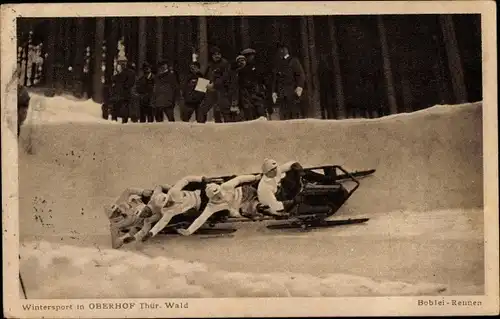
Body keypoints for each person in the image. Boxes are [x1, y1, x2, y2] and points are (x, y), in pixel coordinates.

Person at [175, 173, 264, 236]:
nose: (220, 195)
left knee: (251, 189)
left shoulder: (226, 186)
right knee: (248, 210)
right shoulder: (212, 205)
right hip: (242, 205)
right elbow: (201, 218)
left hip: (246, 193)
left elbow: (239, 179)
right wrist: (189, 231)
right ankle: (262, 208)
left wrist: (255, 177)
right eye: (216, 196)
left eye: (219, 193)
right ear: (212, 198)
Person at [271, 44, 306, 120]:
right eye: (279, 50)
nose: (279, 52)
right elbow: (275, 79)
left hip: (292, 92)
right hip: (281, 94)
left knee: (294, 116)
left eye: (281, 50)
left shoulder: (293, 61)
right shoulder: (278, 63)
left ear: (285, 50)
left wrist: (299, 87)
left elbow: (301, 75)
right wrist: (274, 92)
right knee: (283, 117)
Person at [198, 46, 232, 123]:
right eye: (215, 54)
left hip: (222, 90)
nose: (217, 56)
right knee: (203, 108)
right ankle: (200, 126)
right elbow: (205, 76)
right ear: (212, 56)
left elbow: (225, 77)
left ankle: (229, 128)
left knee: (224, 109)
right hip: (211, 90)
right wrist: (201, 88)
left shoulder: (225, 63)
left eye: (218, 54)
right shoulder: (210, 65)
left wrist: (215, 84)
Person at [238, 48, 268, 120]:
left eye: (250, 55)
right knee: (250, 116)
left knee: (261, 115)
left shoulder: (258, 67)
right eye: (247, 56)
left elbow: (263, 80)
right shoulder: (241, 70)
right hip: (247, 96)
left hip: (258, 95)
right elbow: (239, 84)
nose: (249, 57)